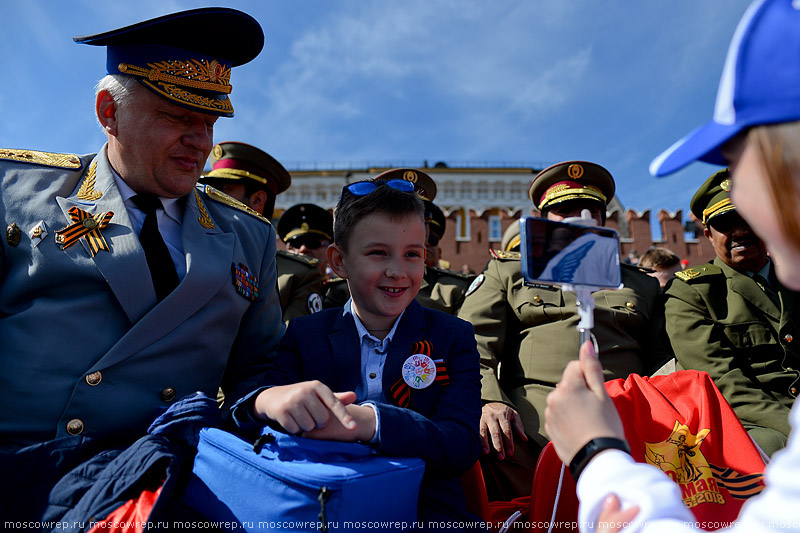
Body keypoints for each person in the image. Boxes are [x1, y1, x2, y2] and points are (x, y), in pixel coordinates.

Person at [0, 8, 283, 520]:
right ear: (110, 112)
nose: (202, 142)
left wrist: (270, 400)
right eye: (178, 117)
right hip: (21, 474)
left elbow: (256, 368)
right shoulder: (15, 192)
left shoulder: (250, 236)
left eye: (211, 121)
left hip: (159, 478)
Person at [545, 1, 800, 530]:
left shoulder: (639, 283)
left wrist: (598, 455)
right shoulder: (691, 290)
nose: (749, 222)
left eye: (743, 168)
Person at [245, 178, 482, 525]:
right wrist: (268, 400)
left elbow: (460, 445)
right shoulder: (306, 333)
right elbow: (250, 406)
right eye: (378, 253)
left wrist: (371, 423)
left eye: (412, 254)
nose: (397, 271)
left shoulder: (453, 336)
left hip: (421, 509)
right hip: (321, 504)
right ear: (339, 261)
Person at [457, 160, 673, 501]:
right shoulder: (509, 272)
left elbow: (663, 359)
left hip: (630, 421)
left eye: (591, 209)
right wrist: (489, 401)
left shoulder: (640, 284)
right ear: (543, 219)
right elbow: (471, 343)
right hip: (532, 434)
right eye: (565, 209)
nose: (580, 217)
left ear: (604, 219)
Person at [665, 168, 800, 456]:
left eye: (749, 219)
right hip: (755, 425)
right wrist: (794, 430)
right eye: (725, 223)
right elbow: (724, 381)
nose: (739, 231)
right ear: (708, 235)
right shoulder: (691, 292)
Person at [201, 142, 324, 324]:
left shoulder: (296, 274)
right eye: (210, 188)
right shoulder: (191, 249)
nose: (209, 196)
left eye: (224, 189)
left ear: (257, 200)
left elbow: (287, 346)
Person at [324, 168, 473, 315]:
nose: (397, 273)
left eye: (423, 216)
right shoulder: (342, 289)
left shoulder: (453, 289)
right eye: (378, 252)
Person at [277, 202, 334, 278]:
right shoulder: (271, 289)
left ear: (329, 253)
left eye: (312, 243)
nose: (303, 249)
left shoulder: (344, 289)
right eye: (295, 244)